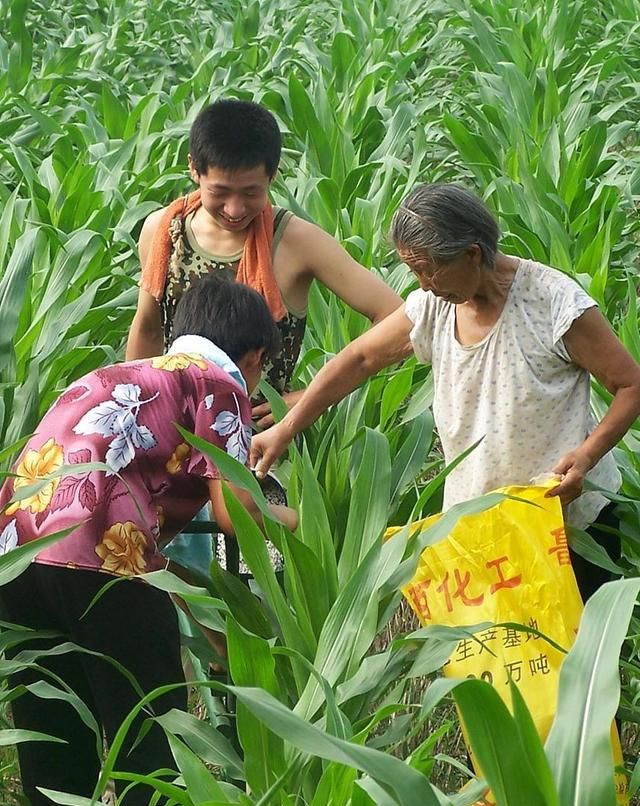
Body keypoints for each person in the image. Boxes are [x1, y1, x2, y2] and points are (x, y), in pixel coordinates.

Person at [250, 183, 640, 600]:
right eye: (413, 269)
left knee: (579, 659)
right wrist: (286, 427)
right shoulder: (433, 306)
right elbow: (360, 359)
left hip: (567, 525)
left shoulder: (553, 304)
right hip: (481, 530)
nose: (423, 283)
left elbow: (630, 385)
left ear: (473, 254)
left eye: (429, 268)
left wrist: (586, 455)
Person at [0, 276, 297, 805]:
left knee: (54, 743)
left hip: (16, 556)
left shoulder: (120, 373)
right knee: (151, 743)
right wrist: (310, 522)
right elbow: (237, 515)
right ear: (253, 358)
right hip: (101, 555)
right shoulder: (218, 381)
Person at [126, 97, 401, 577]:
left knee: (265, 584)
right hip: (176, 441)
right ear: (194, 170)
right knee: (175, 581)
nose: (235, 208)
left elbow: (398, 319)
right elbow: (148, 329)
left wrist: (300, 399)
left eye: (251, 192)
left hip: (264, 442)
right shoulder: (163, 230)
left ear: (273, 176)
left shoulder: (295, 241)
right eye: (221, 191)